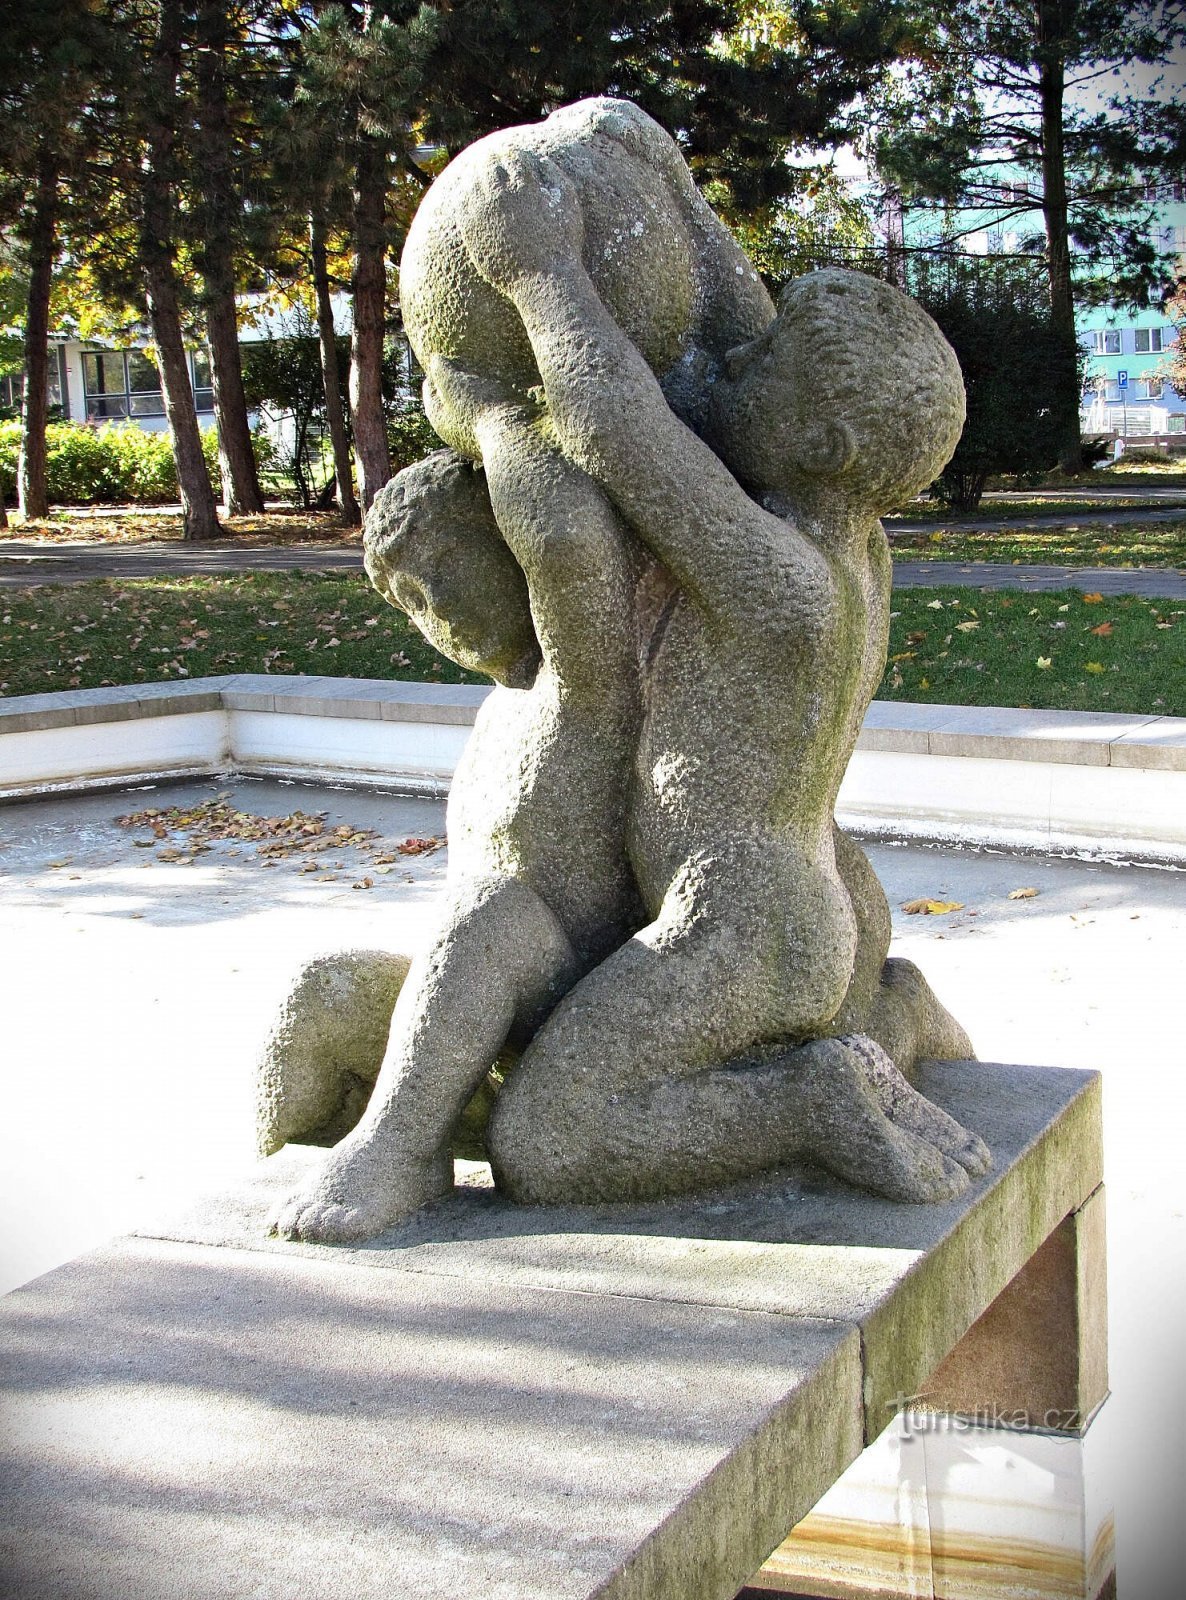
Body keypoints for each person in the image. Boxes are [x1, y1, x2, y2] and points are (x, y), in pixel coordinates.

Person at [448, 149, 989, 1206]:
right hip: (811, 896)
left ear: (821, 441)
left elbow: (616, 429)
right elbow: (739, 326)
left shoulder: (778, 580)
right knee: (610, 1097)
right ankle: (893, 1013)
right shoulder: (859, 547)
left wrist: (538, 272)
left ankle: (806, 1101)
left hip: (735, 920)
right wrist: (673, 186)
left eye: (762, 367)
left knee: (553, 1140)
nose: (732, 361)